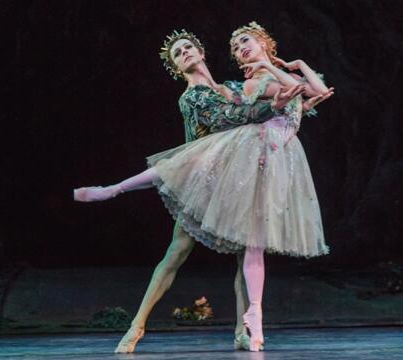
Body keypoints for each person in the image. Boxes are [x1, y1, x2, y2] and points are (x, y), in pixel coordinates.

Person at [74, 24, 333, 351]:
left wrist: (293, 105)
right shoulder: (193, 96)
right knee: (177, 251)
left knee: (245, 255)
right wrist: (277, 105)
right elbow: (233, 117)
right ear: (177, 67)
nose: (184, 54)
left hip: (237, 175)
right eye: (178, 54)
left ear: (201, 52)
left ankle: (242, 331)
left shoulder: (229, 86)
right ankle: (136, 325)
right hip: (202, 180)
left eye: (187, 48)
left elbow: (272, 101)